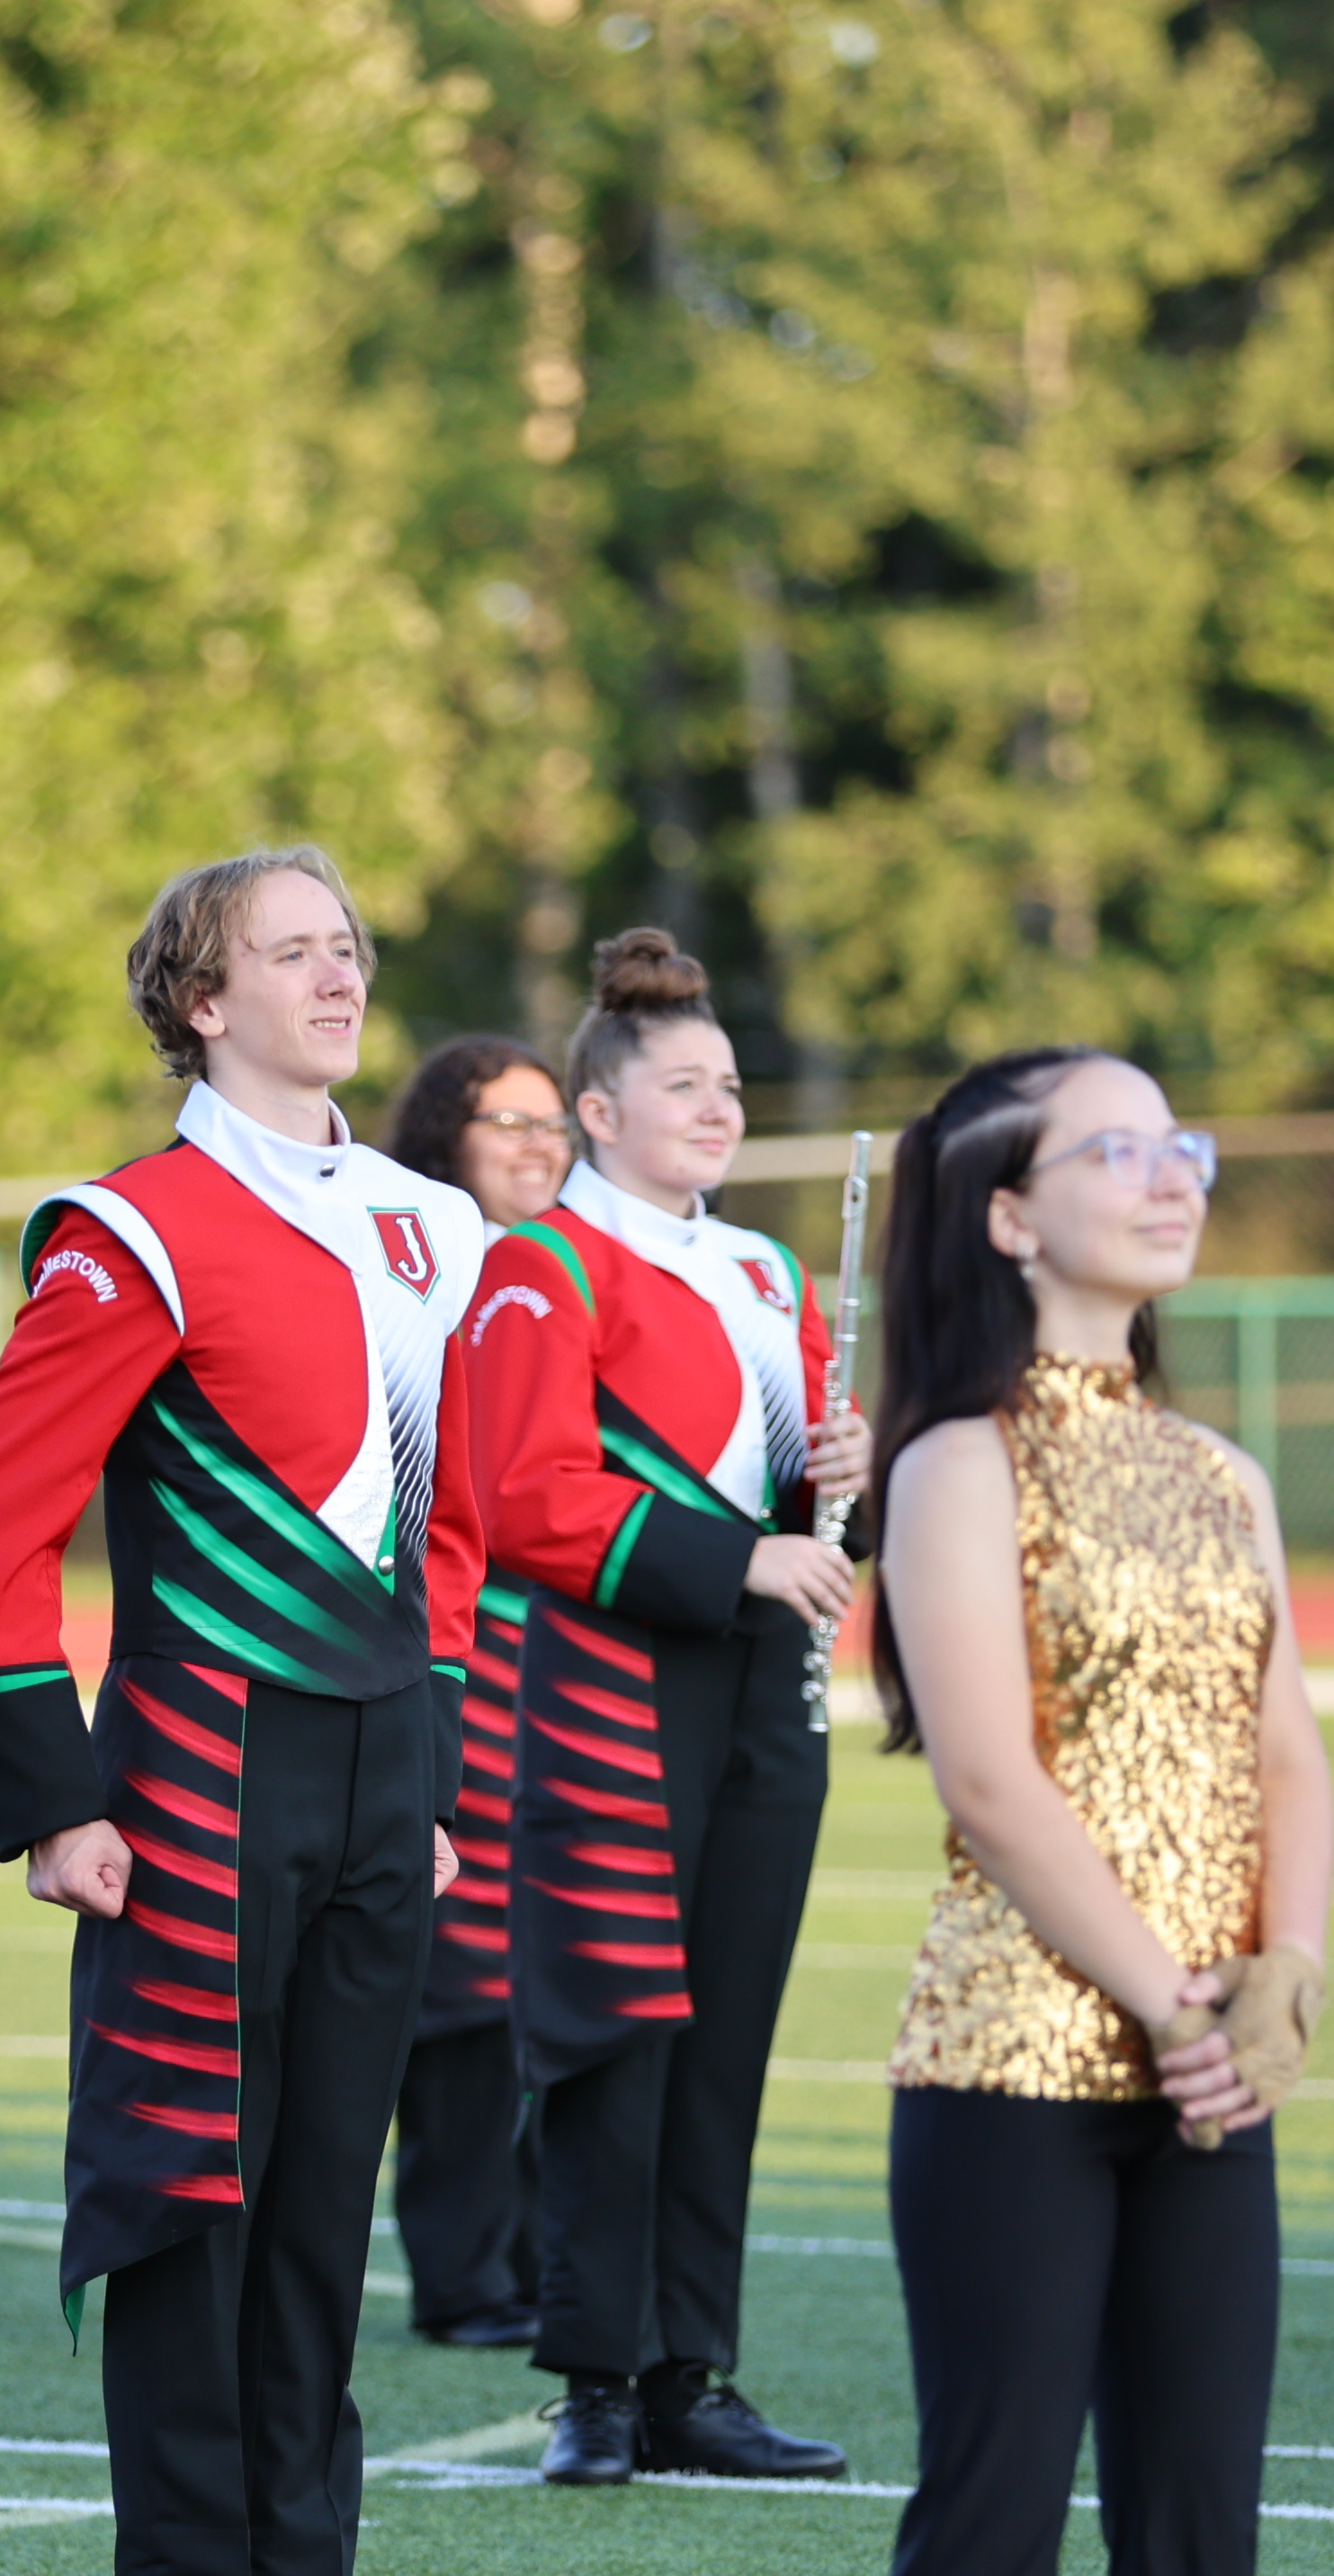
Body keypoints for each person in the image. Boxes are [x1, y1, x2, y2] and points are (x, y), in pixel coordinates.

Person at [831, 1046, 1334, 2576]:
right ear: (1006, 1214)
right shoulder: (957, 1466)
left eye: (1183, 1145)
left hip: (1208, 2070)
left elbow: (1290, 1748)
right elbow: (990, 1781)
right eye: (1115, 1148)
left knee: (1199, 2513)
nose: (1169, 1177)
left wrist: (1288, 1975)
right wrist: (1175, 2004)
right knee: (994, 2509)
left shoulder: (1222, 1469)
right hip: (1013, 2059)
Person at [0, 845, 490, 2576]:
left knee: (328, 2219)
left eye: (347, 944)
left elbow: (456, 1527)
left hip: (372, 1775)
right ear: (197, 997)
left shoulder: (429, 1225)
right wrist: (48, 1798)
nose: (334, 974)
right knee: (193, 2209)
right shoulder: (133, 1228)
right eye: (289, 949)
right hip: (196, 1768)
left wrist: (432, 1775)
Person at [465, 935, 867, 2487]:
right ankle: (594, 2383)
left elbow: (806, 1503)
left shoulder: (764, 1270)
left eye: (731, 1086)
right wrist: (743, 1549)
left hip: (766, 1682)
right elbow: (526, 1499)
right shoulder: (544, 1264)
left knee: (728, 2038)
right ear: (597, 1113)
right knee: (612, 2030)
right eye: (684, 1086)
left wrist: (844, 1479)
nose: (718, 1108)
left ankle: (693, 2371)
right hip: (614, 1684)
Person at [378, 1037, 574, 2348]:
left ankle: (528, 2252)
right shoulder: (421, 1265)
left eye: (553, 1123)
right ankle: (462, 2272)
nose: (538, 1143)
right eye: (507, 1120)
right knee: (457, 1978)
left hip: (560, 1655)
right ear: (444, 1132)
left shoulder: (565, 1268)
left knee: (541, 1975)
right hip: (453, 1639)